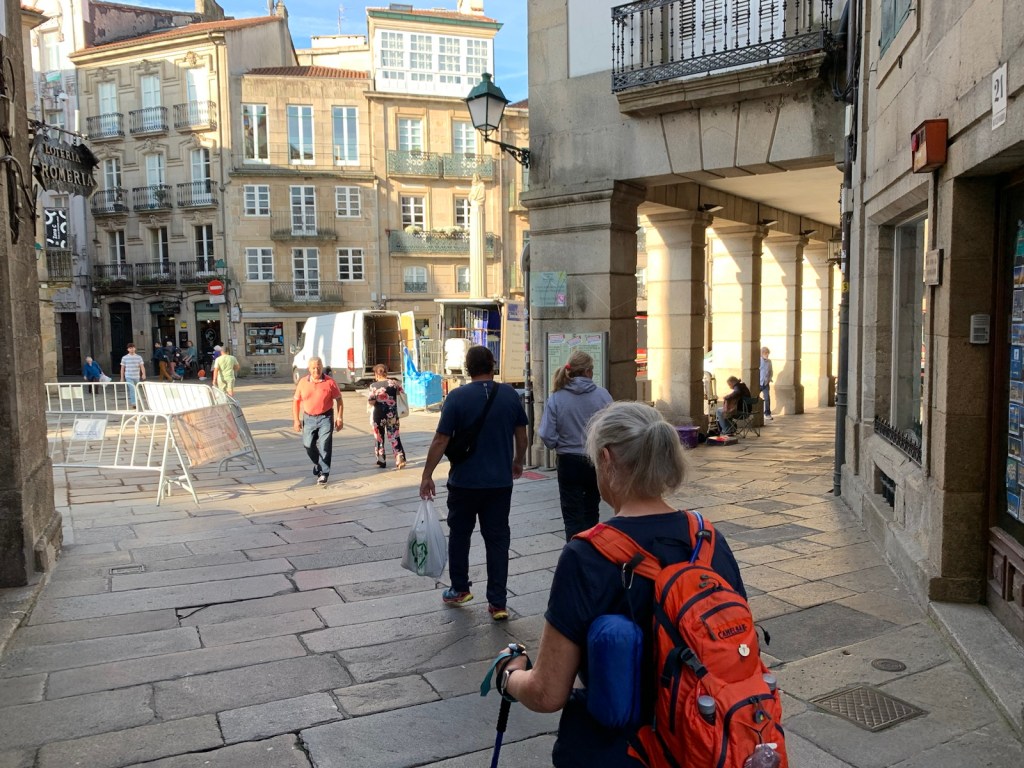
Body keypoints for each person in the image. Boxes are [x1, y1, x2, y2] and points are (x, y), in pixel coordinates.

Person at [491, 402, 746, 767]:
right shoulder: (707, 539)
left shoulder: (585, 555)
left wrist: (509, 674)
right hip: (706, 745)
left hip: (618, 753)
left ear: (606, 459)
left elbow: (547, 693)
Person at [419, 345, 527, 621]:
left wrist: (427, 474)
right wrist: (518, 461)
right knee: (498, 540)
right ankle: (498, 603)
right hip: (499, 484)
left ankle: (460, 588)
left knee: (460, 535)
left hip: (464, 483)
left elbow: (441, 440)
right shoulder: (510, 395)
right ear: (492, 365)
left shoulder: (456, 397)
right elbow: (522, 435)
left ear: (467, 368)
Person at [539, 350, 613, 540]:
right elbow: (612, 428)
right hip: (594, 459)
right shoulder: (603, 396)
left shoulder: (557, 397)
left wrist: (558, 444)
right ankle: (592, 547)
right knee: (591, 508)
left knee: (571, 513)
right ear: (588, 371)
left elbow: (546, 434)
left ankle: (574, 550)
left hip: (568, 461)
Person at [293, 356, 344, 485]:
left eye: (319, 367)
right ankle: (318, 464)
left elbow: (339, 400)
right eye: (314, 368)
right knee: (308, 445)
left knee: (324, 445)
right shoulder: (303, 382)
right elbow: (296, 401)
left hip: (325, 417)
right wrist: (296, 420)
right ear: (309, 369)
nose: (316, 370)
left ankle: (324, 473)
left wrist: (339, 418)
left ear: (322, 367)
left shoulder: (330, 382)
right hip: (308, 418)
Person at [367, 363, 407, 470]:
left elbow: (371, 401)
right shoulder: (394, 383)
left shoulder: (373, 386)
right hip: (392, 414)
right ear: (386, 373)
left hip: (378, 415)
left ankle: (381, 459)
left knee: (379, 436)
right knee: (394, 435)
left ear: (376, 374)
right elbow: (402, 394)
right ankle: (399, 457)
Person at [120, 342, 146, 409]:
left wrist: (143, 374)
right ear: (128, 349)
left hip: (136, 376)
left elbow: (142, 366)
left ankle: (136, 398)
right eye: (130, 348)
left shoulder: (139, 357)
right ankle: (134, 403)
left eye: (133, 348)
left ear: (135, 348)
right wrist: (122, 377)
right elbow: (122, 368)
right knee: (132, 389)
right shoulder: (124, 358)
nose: (132, 349)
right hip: (128, 376)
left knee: (136, 388)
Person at [760, 346, 774, 421]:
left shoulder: (769, 362)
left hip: (765, 383)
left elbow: (771, 371)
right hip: (759, 383)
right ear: (762, 353)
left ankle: (767, 413)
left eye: (768, 353)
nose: (767, 354)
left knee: (767, 398)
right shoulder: (758, 360)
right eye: (766, 353)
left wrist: (769, 379)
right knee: (755, 397)